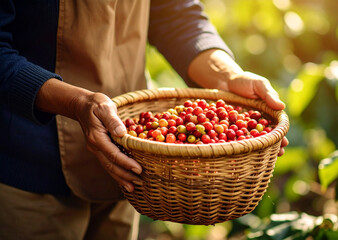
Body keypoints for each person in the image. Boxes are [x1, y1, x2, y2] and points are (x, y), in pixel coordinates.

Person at [0, 0, 288, 239]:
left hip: (134, 164)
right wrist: (77, 103)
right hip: (30, 170)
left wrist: (228, 74)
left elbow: (173, 12)